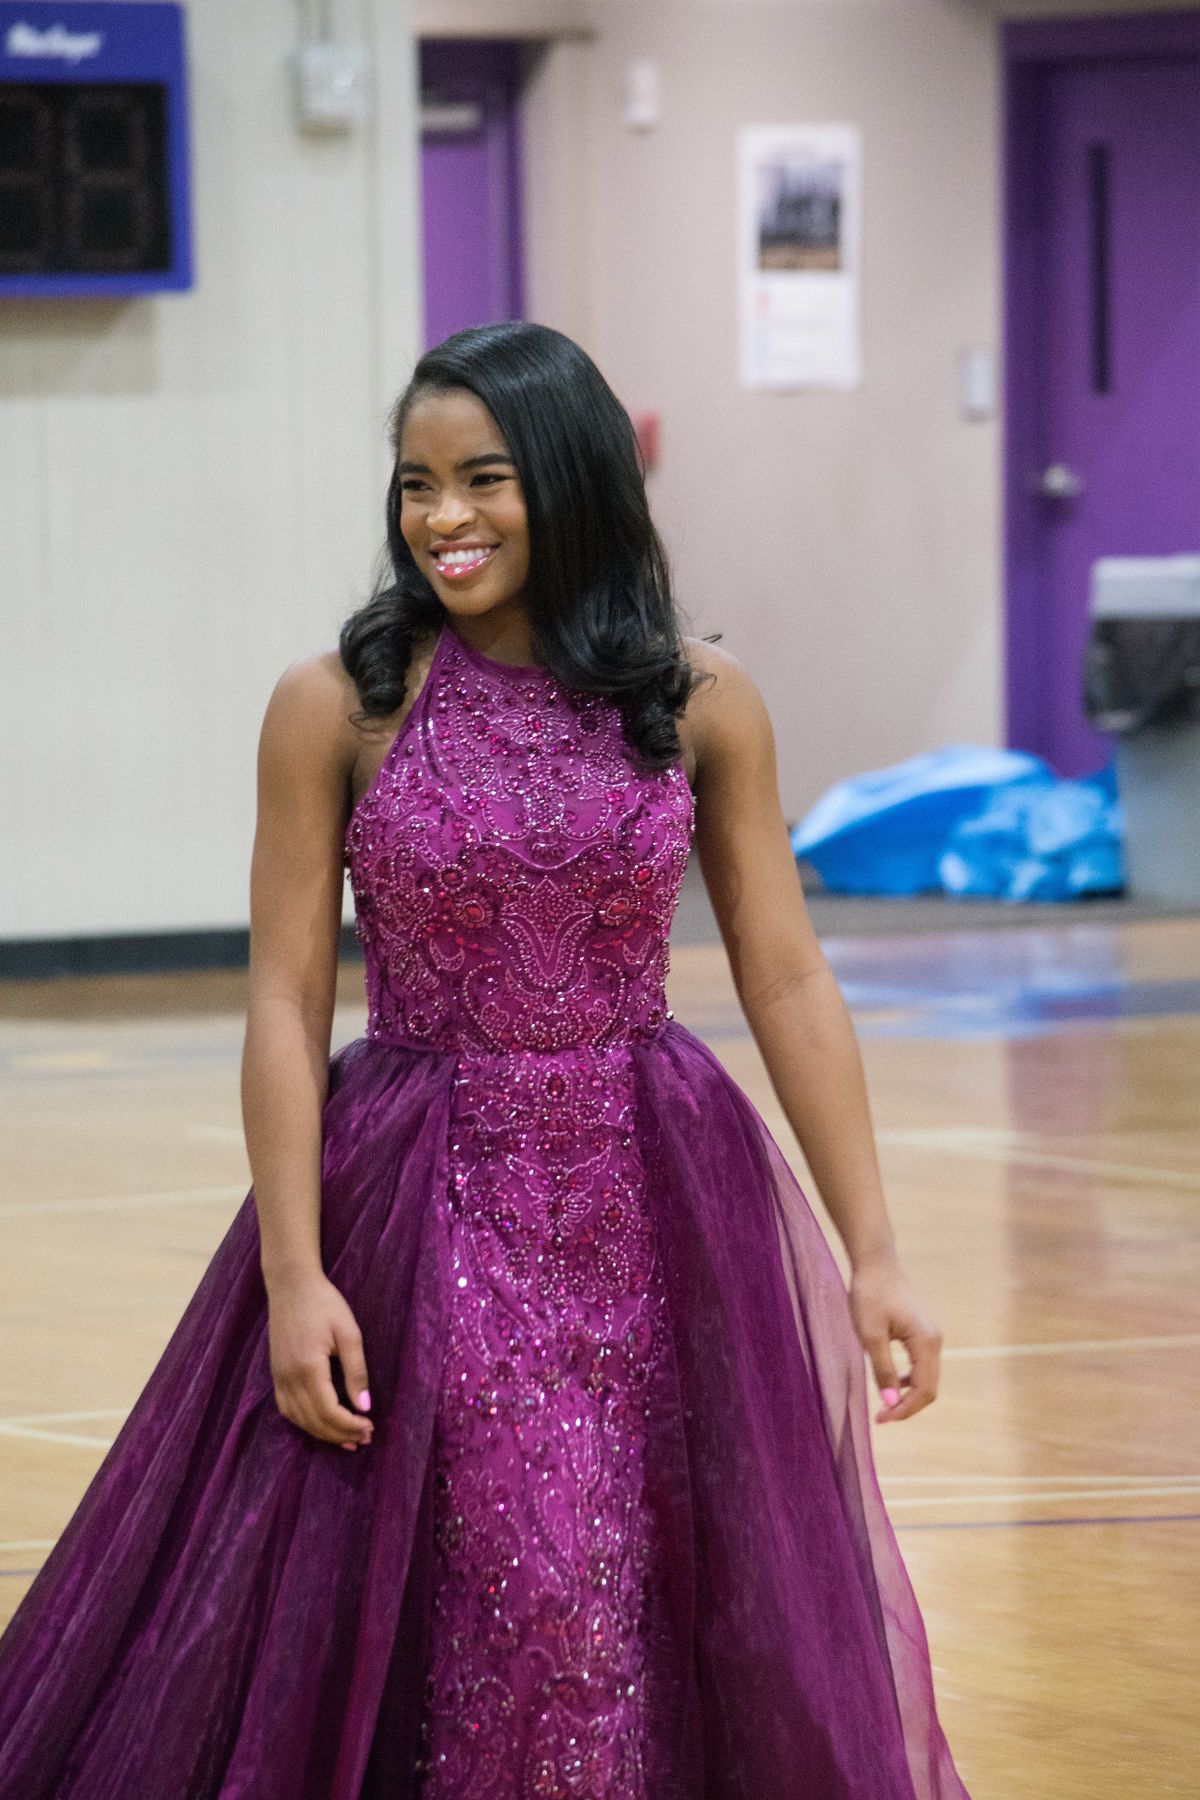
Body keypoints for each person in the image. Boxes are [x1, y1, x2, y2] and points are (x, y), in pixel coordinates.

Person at [0, 320, 972, 1799]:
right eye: (415, 485)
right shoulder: (338, 705)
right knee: (504, 1576)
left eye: (483, 480)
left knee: (655, 1588)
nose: (442, 519)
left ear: (573, 481)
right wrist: (292, 1269)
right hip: (415, 1196)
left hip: (657, 1196)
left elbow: (784, 975)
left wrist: (878, 1250)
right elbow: (280, 1002)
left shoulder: (701, 704)